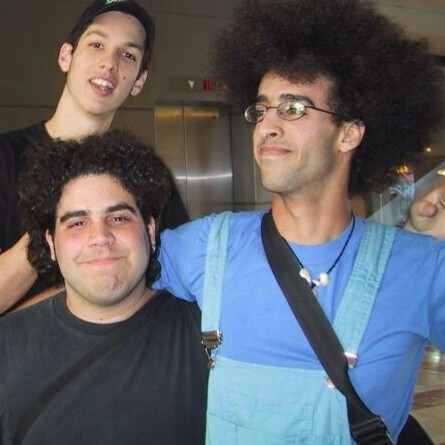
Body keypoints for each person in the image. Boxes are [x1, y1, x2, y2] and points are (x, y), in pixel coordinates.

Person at [155, 0, 445, 443]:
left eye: (292, 109)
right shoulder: (205, 247)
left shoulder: (423, 268)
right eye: (261, 110)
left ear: (348, 133)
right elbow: (97, 281)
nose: (266, 126)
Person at [0, 129, 207, 445]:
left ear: (150, 231)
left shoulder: (208, 334)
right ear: (51, 244)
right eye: (77, 223)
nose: (100, 237)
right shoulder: (7, 347)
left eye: (119, 218)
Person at [0, 0, 188, 313]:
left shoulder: (146, 174)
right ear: (66, 56)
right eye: (97, 44)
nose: (109, 63)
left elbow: (172, 281)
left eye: (128, 55)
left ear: (139, 81)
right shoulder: (6, 158)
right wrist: (42, 236)